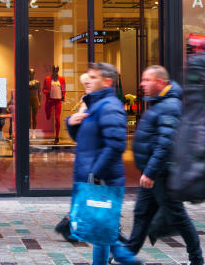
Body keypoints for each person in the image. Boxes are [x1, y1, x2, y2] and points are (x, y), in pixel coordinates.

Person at [126, 66, 202, 265]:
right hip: (153, 173)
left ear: (160, 82)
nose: (142, 84)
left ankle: (197, 259)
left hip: (161, 174)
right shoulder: (160, 103)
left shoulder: (169, 106)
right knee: (142, 214)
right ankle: (125, 255)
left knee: (179, 217)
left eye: (146, 80)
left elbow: (166, 143)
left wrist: (150, 172)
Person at [66, 62, 141, 265]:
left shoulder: (110, 107)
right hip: (94, 178)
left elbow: (116, 145)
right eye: (88, 76)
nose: (87, 80)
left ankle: (128, 259)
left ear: (107, 82)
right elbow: (85, 139)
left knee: (99, 229)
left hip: (103, 180)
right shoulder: (95, 106)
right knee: (100, 231)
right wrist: (71, 123)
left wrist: (96, 173)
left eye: (93, 77)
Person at [54, 72, 93, 243]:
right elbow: (80, 134)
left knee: (85, 195)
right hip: (88, 157)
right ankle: (116, 243)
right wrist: (71, 121)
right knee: (90, 196)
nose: (88, 86)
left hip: (88, 157)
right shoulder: (88, 103)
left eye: (90, 83)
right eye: (86, 83)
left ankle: (69, 224)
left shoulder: (93, 102)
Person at [44, 67, 66, 142]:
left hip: (58, 100)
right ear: (52, 70)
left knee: (57, 118)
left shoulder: (62, 79)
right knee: (48, 115)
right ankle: (48, 114)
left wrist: (63, 96)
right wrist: (47, 92)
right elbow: (43, 89)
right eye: (54, 70)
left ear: (58, 70)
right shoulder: (47, 78)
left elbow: (64, 88)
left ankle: (57, 136)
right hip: (50, 100)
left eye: (56, 70)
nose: (55, 72)